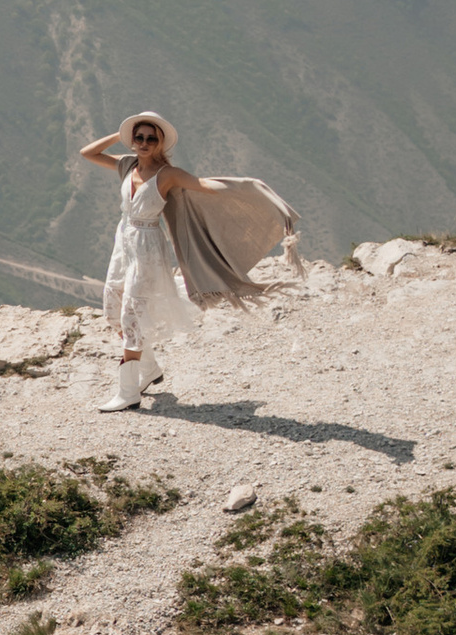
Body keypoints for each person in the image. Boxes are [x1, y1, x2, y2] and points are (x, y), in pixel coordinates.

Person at [77, 111, 298, 411]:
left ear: (160, 143)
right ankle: (150, 370)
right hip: (123, 243)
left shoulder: (168, 175)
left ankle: (128, 392)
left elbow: (207, 187)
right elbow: (88, 153)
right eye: (138, 137)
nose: (143, 143)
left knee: (132, 310)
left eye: (150, 138)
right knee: (115, 305)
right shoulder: (128, 165)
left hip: (147, 247)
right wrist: (121, 133)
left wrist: (254, 189)